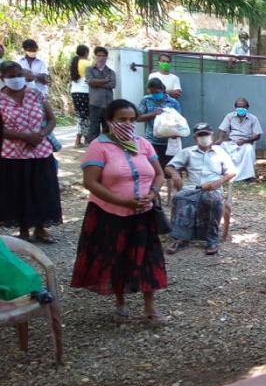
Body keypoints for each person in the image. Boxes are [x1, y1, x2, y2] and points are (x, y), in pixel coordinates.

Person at [71, 99, 168, 325]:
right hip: (109, 214)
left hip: (143, 213)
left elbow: (159, 174)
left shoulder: (143, 143)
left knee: (148, 258)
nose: (128, 124)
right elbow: (91, 183)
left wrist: (153, 194)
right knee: (116, 257)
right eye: (122, 119)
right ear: (109, 121)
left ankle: (150, 306)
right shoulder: (99, 146)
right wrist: (123, 201)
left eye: (132, 120)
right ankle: (120, 302)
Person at [0, 61, 62, 242]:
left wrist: (41, 134)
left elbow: (51, 120)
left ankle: (41, 228)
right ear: (2, 78)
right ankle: (23, 230)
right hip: (13, 155)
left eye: (19, 75)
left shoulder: (36, 94)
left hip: (41, 152)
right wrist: (24, 137)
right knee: (18, 191)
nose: (17, 79)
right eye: (11, 76)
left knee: (42, 189)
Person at [165, 123, 236, 256]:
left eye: (206, 134)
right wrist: (175, 174)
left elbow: (231, 172)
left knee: (211, 199)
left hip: (212, 188)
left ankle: (211, 239)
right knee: (180, 198)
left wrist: (218, 182)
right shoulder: (187, 152)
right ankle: (180, 237)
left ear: (211, 135)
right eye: (200, 135)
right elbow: (169, 167)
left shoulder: (220, 152)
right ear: (195, 137)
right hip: (192, 187)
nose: (203, 137)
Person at [137, 77, 183, 175]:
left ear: (162, 89)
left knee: (169, 171)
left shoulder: (173, 102)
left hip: (169, 143)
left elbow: (180, 121)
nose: (155, 95)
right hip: (151, 141)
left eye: (157, 92)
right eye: (152, 93)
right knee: (152, 170)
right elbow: (138, 118)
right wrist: (153, 114)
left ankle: (171, 190)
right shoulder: (146, 100)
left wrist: (176, 132)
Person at [217, 98, 261, 182]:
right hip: (232, 142)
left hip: (246, 143)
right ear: (235, 107)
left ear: (247, 107)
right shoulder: (229, 116)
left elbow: (257, 135)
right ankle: (225, 175)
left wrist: (245, 141)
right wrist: (220, 139)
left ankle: (247, 177)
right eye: (238, 107)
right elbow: (223, 129)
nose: (241, 109)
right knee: (220, 148)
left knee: (248, 150)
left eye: (243, 107)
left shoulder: (253, 118)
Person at [85, 46, 117, 144]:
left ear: (106, 57)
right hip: (95, 103)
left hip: (108, 104)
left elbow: (112, 84)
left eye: (103, 56)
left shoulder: (111, 72)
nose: (101, 58)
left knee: (108, 129)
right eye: (99, 55)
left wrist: (97, 83)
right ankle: (94, 151)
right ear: (95, 57)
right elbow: (90, 82)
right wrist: (105, 80)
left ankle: (107, 150)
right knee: (93, 130)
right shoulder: (89, 69)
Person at [69, 44, 92, 147]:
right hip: (85, 91)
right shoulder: (87, 63)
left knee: (80, 115)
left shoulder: (74, 62)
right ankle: (81, 139)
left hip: (75, 91)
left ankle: (79, 139)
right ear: (86, 52)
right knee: (86, 116)